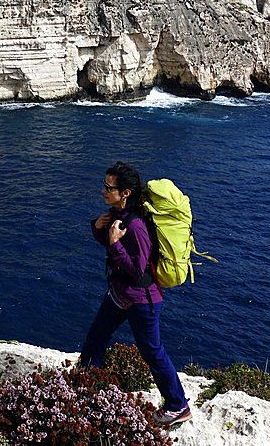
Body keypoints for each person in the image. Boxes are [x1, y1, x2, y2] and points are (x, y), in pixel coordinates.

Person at [78, 161, 191, 426]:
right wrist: (98, 226)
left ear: (125, 193)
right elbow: (109, 241)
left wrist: (115, 243)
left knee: (152, 352)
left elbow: (138, 268)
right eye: (104, 185)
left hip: (141, 299)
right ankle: (82, 385)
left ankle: (178, 405)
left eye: (109, 187)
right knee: (96, 336)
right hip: (120, 293)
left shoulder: (137, 225)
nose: (103, 190)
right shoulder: (119, 216)